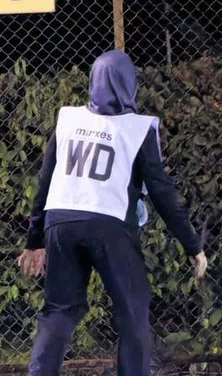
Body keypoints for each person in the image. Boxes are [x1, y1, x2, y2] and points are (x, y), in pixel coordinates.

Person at [17, 50, 207, 376]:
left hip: (60, 222)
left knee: (59, 310)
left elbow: (45, 181)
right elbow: (162, 192)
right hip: (109, 225)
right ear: (129, 85)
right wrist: (192, 245)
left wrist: (35, 240)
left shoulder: (69, 120)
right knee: (133, 311)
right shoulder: (137, 129)